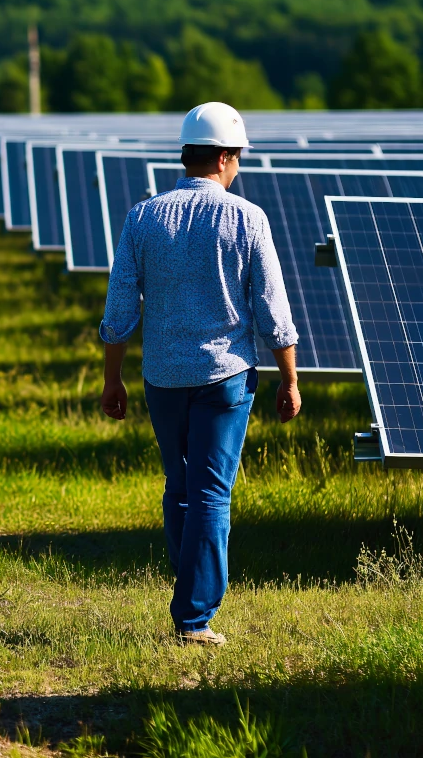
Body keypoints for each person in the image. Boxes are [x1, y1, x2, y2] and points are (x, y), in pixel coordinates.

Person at [98, 101, 301, 647]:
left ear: (188, 155)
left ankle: (188, 586)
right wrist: (290, 378)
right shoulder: (247, 218)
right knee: (212, 492)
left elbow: (120, 307)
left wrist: (111, 378)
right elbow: (272, 309)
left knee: (180, 485)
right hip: (225, 377)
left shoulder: (143, 217)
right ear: (227, 157)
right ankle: (194, 617)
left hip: (162, 377)